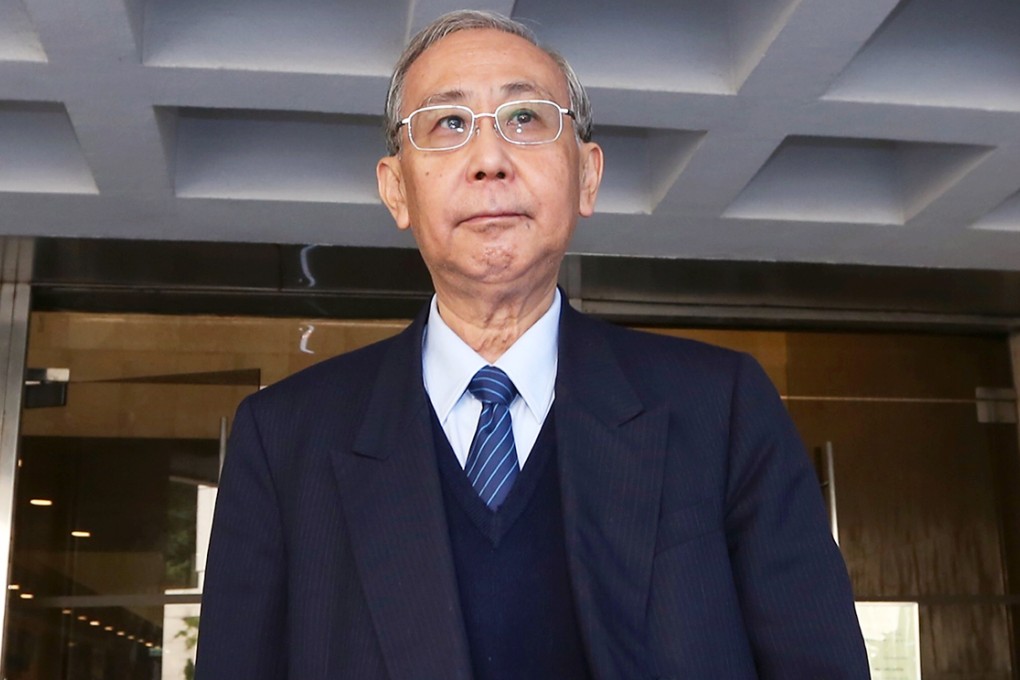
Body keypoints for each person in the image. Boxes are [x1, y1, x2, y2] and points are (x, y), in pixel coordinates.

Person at [195, 10, 869, 680]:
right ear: (396, 190)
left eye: (525, 118)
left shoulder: (720, 410)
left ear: (587, 177)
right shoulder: (285, 440)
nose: (489, 159)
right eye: (447, 124)